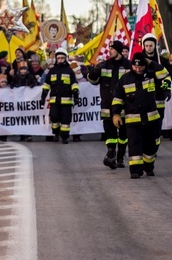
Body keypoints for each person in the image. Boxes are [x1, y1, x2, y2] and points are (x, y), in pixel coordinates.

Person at [110, 52, 160, 179]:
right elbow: (117, 98)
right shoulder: (125, 79)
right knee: (134, 145)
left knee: (150, 146)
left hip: (151, 119)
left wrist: (151, 63)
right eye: (135, 67)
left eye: (141, 67)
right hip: (132, 120)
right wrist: (116, 114)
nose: (138, 69)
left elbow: (164, 74)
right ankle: (135, 170)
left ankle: (148, 167)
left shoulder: (151, 75)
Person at [88, 40, 130, 168]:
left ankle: (121, 155)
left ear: (118, 50)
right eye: (109, 48)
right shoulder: (103, 65)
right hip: (107, 105)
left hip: (124, 105)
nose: (110, 51)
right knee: (109, 132)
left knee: (124, 133)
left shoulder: (129, 65)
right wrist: (93, 72)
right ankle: (111, 153)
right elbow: (93, 81)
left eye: (112, 49)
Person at [40, 48, 79, 144]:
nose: (60, 60)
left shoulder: (69, 71)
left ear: (65, 58)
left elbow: (74, 84)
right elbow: (46, 85)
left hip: (67, 101)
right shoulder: (52, 71)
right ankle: (56, 133)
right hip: (54, 101)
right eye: (58, 58)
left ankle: (64, 137)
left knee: (66, 120)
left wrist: (76, 95)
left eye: (62, 58)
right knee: (54, 118)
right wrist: (43, 97)